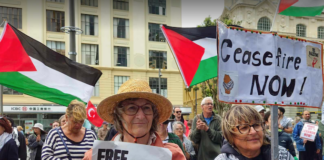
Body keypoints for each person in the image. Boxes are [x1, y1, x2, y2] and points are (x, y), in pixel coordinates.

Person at [83, 79, 186, 160]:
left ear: (153, 115)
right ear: (119, 116)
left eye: (146, 108)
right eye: (131, 108)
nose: (141, 116)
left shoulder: (173, 155)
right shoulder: (95, 156)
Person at [215, 105, 294, 160]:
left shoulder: (281, 155)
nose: (253, 132)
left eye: (256, 125)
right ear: (230, 135)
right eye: (244, 127)